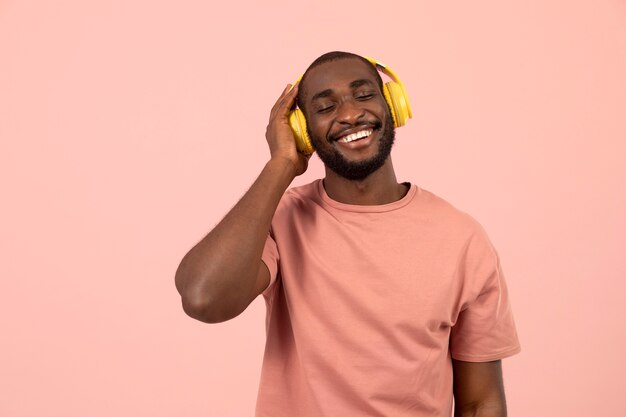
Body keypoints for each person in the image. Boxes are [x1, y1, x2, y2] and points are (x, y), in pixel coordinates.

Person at [175, 51, 521, 417]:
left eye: (364, 95)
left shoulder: (462, 238)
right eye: (325, 107)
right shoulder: (280, 220)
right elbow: (202, 297)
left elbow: (480, 402)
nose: (350, 114)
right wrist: (281, 165)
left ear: (393, 106)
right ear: (302, 130)